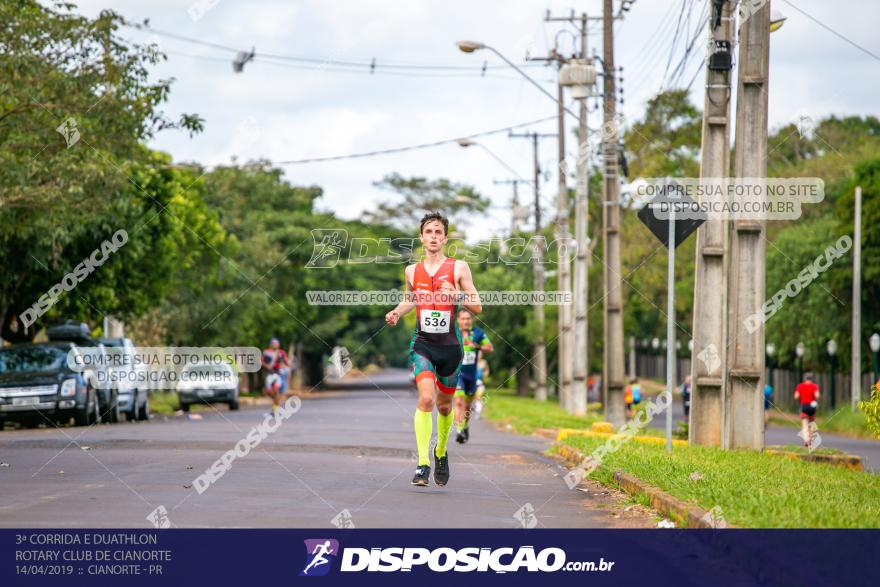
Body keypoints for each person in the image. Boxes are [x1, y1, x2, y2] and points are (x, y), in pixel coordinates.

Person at [385, 212, 482, 487]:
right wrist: (396, 312)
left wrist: (457, 296)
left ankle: (441, 451)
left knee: (443, 405)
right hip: (423, 344)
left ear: (446, 238)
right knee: (426, 400)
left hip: (450, 348)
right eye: (429, 232)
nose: (434, 237)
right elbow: (410, 301)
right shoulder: (411, 271)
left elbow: (477, 306)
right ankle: (423, 463)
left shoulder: (459, 268)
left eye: (439, 232)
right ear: (421, 237)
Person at [454, 309, 493, 444]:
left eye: (468, 319)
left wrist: (477, 346)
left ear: (472, 320)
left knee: (467, 406)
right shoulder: (453, 333)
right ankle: (459, 430)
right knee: (458, 401)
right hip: (457, 373)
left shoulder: (478, 333)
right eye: (463, 319)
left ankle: (465, 426)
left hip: (471, 375)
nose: (465, 321)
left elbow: (490, 347)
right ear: (458, 320)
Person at [262, 337, 291, 415]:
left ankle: (275, 410)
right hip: (269, 375)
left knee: (276, 390)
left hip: (278, 375)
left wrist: (286, 364)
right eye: (274, 343)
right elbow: (261, 361)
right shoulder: (266, 352)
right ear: (270, 344)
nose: (275, 345)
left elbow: (287, 362)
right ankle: (277, 403)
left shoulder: (281, 353)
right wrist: (266, 365)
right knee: (269, 392)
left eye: (277, 343)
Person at [794, 372, 820, 449]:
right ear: (811, 379)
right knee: (812, 423)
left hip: (804, 406)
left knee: (804, 424)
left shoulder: (800, 386)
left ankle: (806, 439)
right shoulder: (814, 386)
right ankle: (811, 441)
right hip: (812, 406)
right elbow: (817, 396)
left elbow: (796, 397)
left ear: (805, 378)